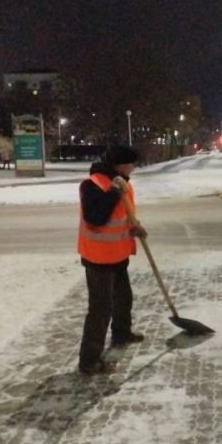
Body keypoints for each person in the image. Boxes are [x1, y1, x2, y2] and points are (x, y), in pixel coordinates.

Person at [77, 145, 147, 375]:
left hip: (117, 255)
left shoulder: (122, 182)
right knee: (100, 309)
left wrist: (134, 227)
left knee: (123, 299)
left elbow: (122, 215)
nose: (134, 168)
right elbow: (95, 218)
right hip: (98, 258)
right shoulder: (93, 184)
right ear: (121, 164)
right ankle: (89, 361)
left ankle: (121, 334)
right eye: (131, 164)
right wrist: (114, 193)